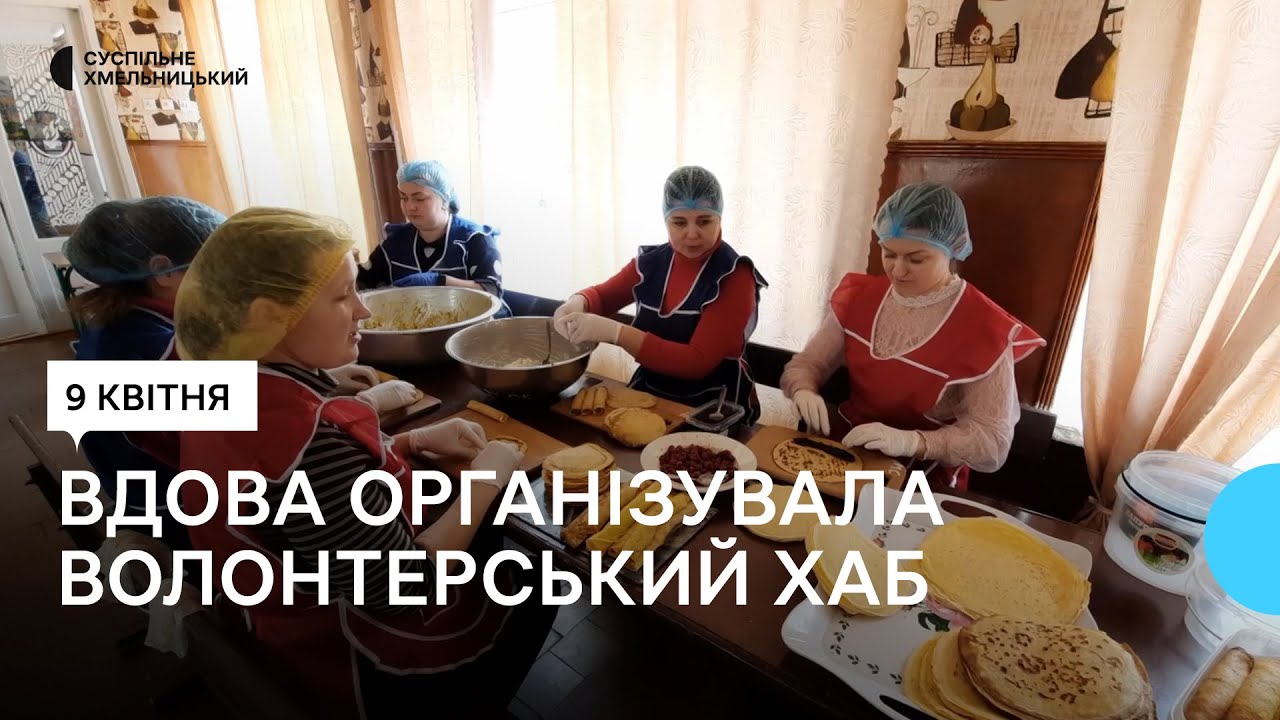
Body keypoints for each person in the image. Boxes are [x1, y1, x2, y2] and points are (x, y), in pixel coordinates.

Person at [174, 208, 555, 719]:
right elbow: (407, 583)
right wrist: (485, 480)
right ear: (268, 316)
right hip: (353, 654)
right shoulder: (304, 450)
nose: (364, 311)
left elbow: (329, 490)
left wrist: (411, 441)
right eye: (341, 297)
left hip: (274, 613)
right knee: (537, 572)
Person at [780, 182, 1044, 490]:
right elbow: (808, 363)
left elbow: (991, 442)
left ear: (952, 250)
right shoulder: (860, 297)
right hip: (846, 456)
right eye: (888, 253)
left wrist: (914, 442)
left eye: (916, 259)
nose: (897, 270)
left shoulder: (984, 327)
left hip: (924, 479)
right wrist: (803, 389)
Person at [64, 196, 226, 548]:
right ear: (164, 271)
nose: (220, 278)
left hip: (135, 496)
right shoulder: (155, 351)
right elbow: (226, 441)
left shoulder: (113, 325)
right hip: (180, 517)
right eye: (210, 265)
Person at [554, 166, 768, 423]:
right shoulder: (651, 264)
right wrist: (577, 302)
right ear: (665, 219)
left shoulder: (734, 276)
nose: (692, 234)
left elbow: (696, 362)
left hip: (715, 408)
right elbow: (602, 296)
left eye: (704, 221)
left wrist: (617, 334)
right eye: (679, 222)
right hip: (652, 394)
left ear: (719, 218)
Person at [358, 159, 510, 317]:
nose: (410, 206)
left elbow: (492, 291)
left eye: (419, 199)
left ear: (445, 199)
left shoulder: (475, 239)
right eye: (404, 198)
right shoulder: (395, 242)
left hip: (479, 326)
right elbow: (363, 280)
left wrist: (440, 281)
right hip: (418, 324)